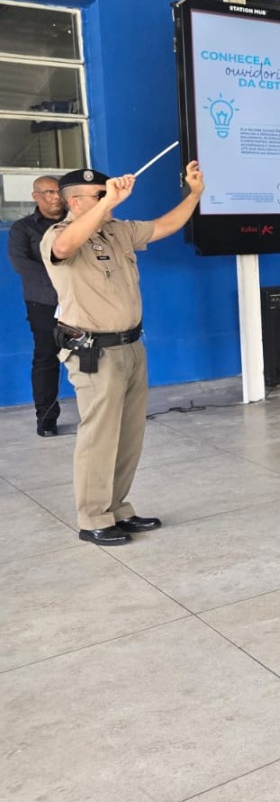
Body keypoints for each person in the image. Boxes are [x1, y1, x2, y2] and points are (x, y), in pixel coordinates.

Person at [41, 162, 204, 546]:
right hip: (94, 352)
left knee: (129, 434)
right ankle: (93, 517)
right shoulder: (60, 234)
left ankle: (116, 508)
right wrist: (107, 202)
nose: (108, 201)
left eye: (107, 194)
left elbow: (164, 226)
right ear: (75, 202)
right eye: (99, 196)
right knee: (99, 436)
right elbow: (65, 248)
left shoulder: (118, 231)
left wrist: (194, 194)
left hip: (131, 346)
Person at [7, 174, 65, 436]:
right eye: (48, 193)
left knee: (92, 357)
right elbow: (22, 265)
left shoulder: (77, 223)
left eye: (58, 192)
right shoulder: (23, 228)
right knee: (46, 359)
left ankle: (97, 416)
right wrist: (64, 279)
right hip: (44, 303)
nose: (55, 198)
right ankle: (47, 418)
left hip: (84, 302)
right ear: (36, 196)